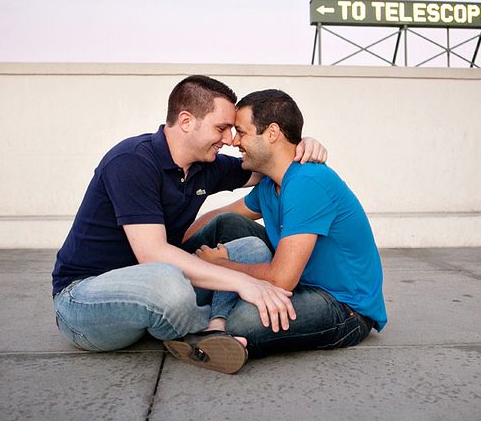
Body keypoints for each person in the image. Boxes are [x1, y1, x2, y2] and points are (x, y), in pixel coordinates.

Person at [51, 75, 327, 353]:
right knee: (169, 285)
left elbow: (266, 162)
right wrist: (243, 282)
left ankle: (215, 329)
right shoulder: (132, 161)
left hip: (157, 284)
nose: (229, 140)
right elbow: (153, 254)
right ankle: (202, 324)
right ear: (186, 121)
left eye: (232, 130)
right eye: (221, 128)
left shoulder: (205, 166)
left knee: (252, 249)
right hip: (84, 299)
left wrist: (301, 146)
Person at [163, 89, 387, 374]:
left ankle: (212, 324)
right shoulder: (271, 184)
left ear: (271, 133)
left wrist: (219, 264)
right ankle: (179, 291)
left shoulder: (309, 182)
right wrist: (170, 252)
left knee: (243, 321)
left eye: (241, 132)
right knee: (224, 224)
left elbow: (282, 279)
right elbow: (218, 216)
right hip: (299, 281)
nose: (233, 141)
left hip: (344, 306)